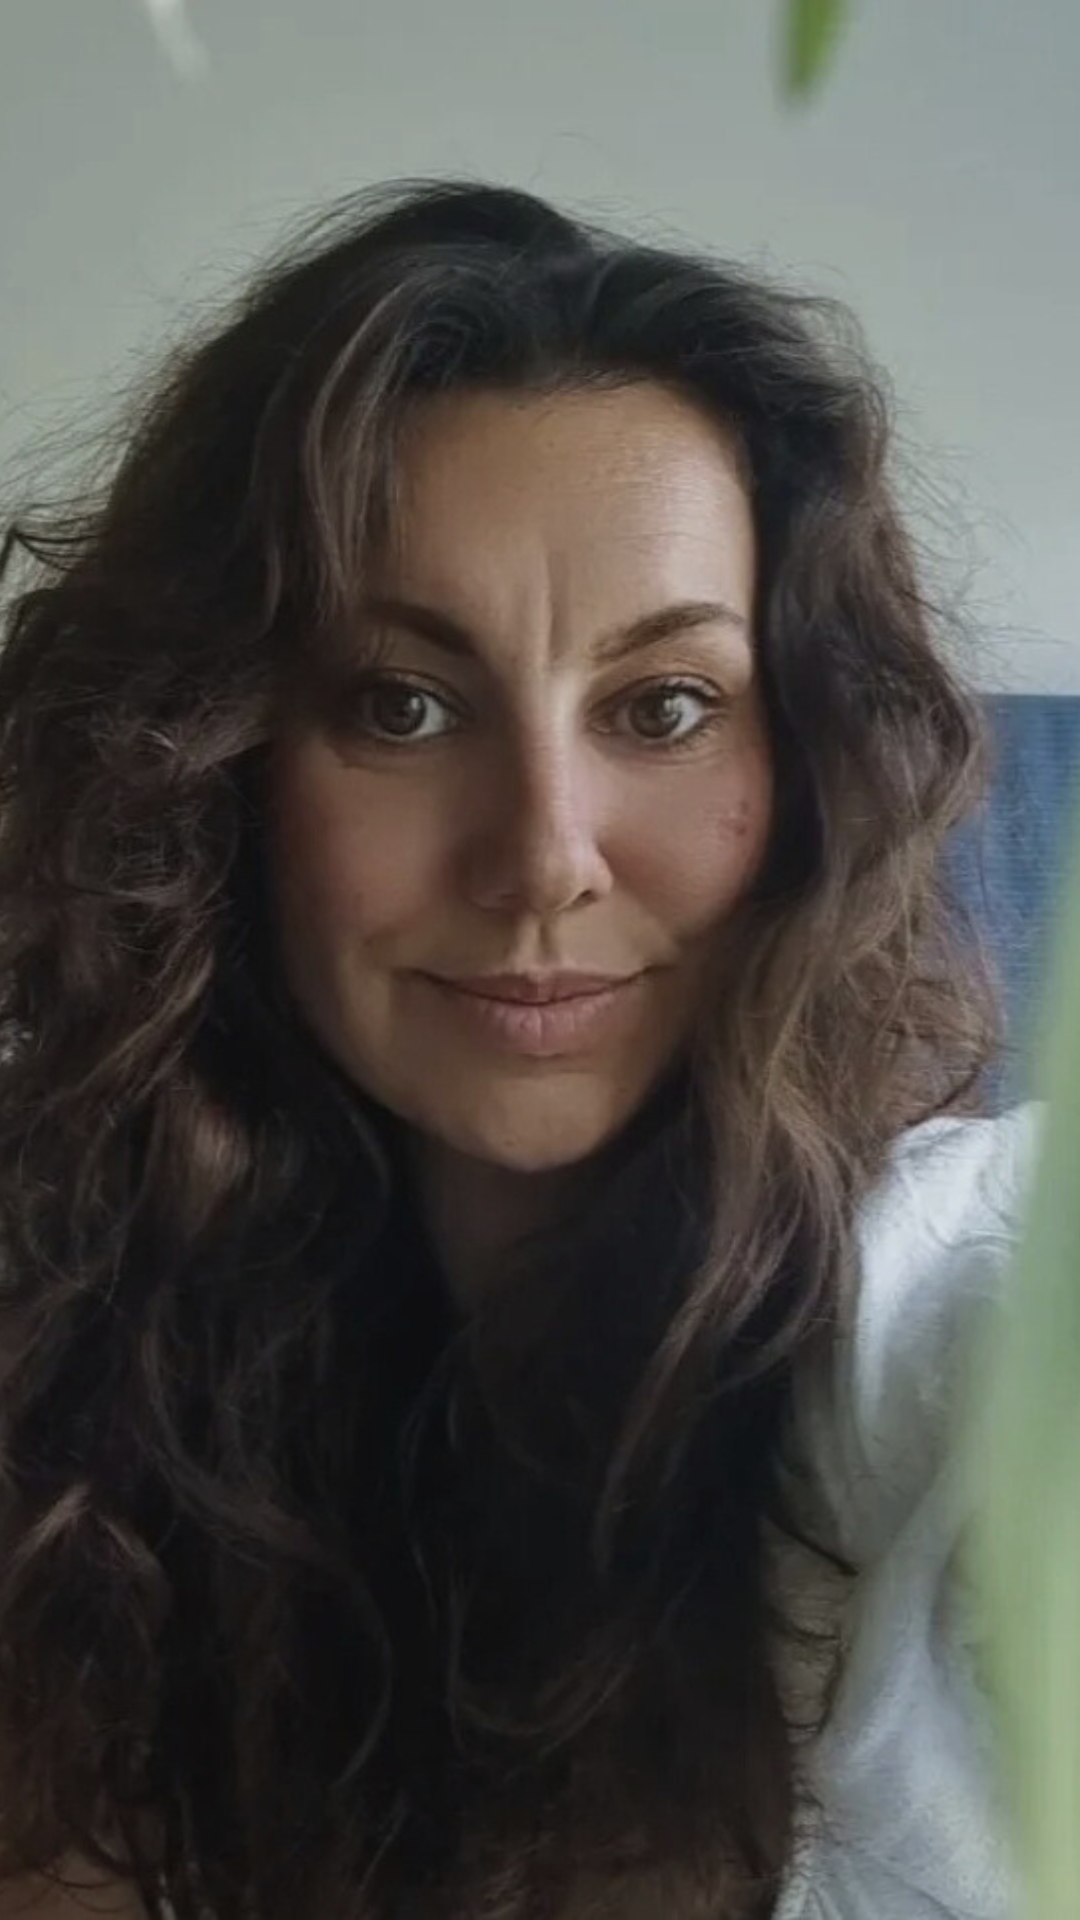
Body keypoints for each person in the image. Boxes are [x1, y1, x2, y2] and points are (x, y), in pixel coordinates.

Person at [0, 176, 1041, 1920]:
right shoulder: (71, 1356)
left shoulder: (946, 1308)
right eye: (400, 704)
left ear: (804, 772)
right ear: (219, 772)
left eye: (665, 707)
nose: (546, 851)